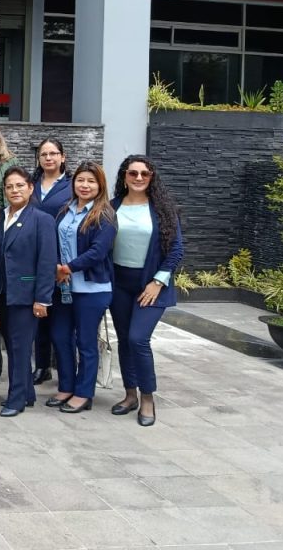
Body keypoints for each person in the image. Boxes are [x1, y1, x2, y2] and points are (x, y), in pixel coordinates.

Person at [109, 155, 184, 427]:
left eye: (145, 173)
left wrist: (157, 282)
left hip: (151, 285)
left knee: (138, 339)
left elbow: (176, 250)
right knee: (124, 339)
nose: (138, 178)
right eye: (133, 173)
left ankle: (148, 398)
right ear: (124, 176)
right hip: (119, 283)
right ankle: (130, 395)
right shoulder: (112, 206)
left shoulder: (163, 209)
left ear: (152, 177)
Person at [50, 161, 117, 414]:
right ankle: (66, 386)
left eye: (91, 181)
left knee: (86, 342)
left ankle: (84, 393)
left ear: (100, 185)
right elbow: (54, 241)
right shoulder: (64, 210)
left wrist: (67, 268)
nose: (85, 185)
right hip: (64, 287)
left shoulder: (106, 215)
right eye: (80, 180)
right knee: (60, 337)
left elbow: (98, 252)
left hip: (92, 289)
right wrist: (57, 266)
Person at [0, 166, 58, 417]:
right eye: (9, 186)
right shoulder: (0, 216)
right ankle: (28, 393)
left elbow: (47, 262)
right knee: (11, 344)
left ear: (31, 188)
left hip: (27, 294)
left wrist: (42, 299)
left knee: (20, 348)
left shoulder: (42, 220)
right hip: (3, 292)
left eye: (20, 185)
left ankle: (16, 398)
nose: (14, 190)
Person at [30, 137, 72, 385]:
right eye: (44, 154)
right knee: (39, 316)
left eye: (53, 153)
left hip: (62, 260)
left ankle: (66, 370)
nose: (48, 158)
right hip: (34, 258)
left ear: (62, 157)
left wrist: (59, 262)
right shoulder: (31, 184)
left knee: (62, 320)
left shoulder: (71, 186)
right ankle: (42, 365)